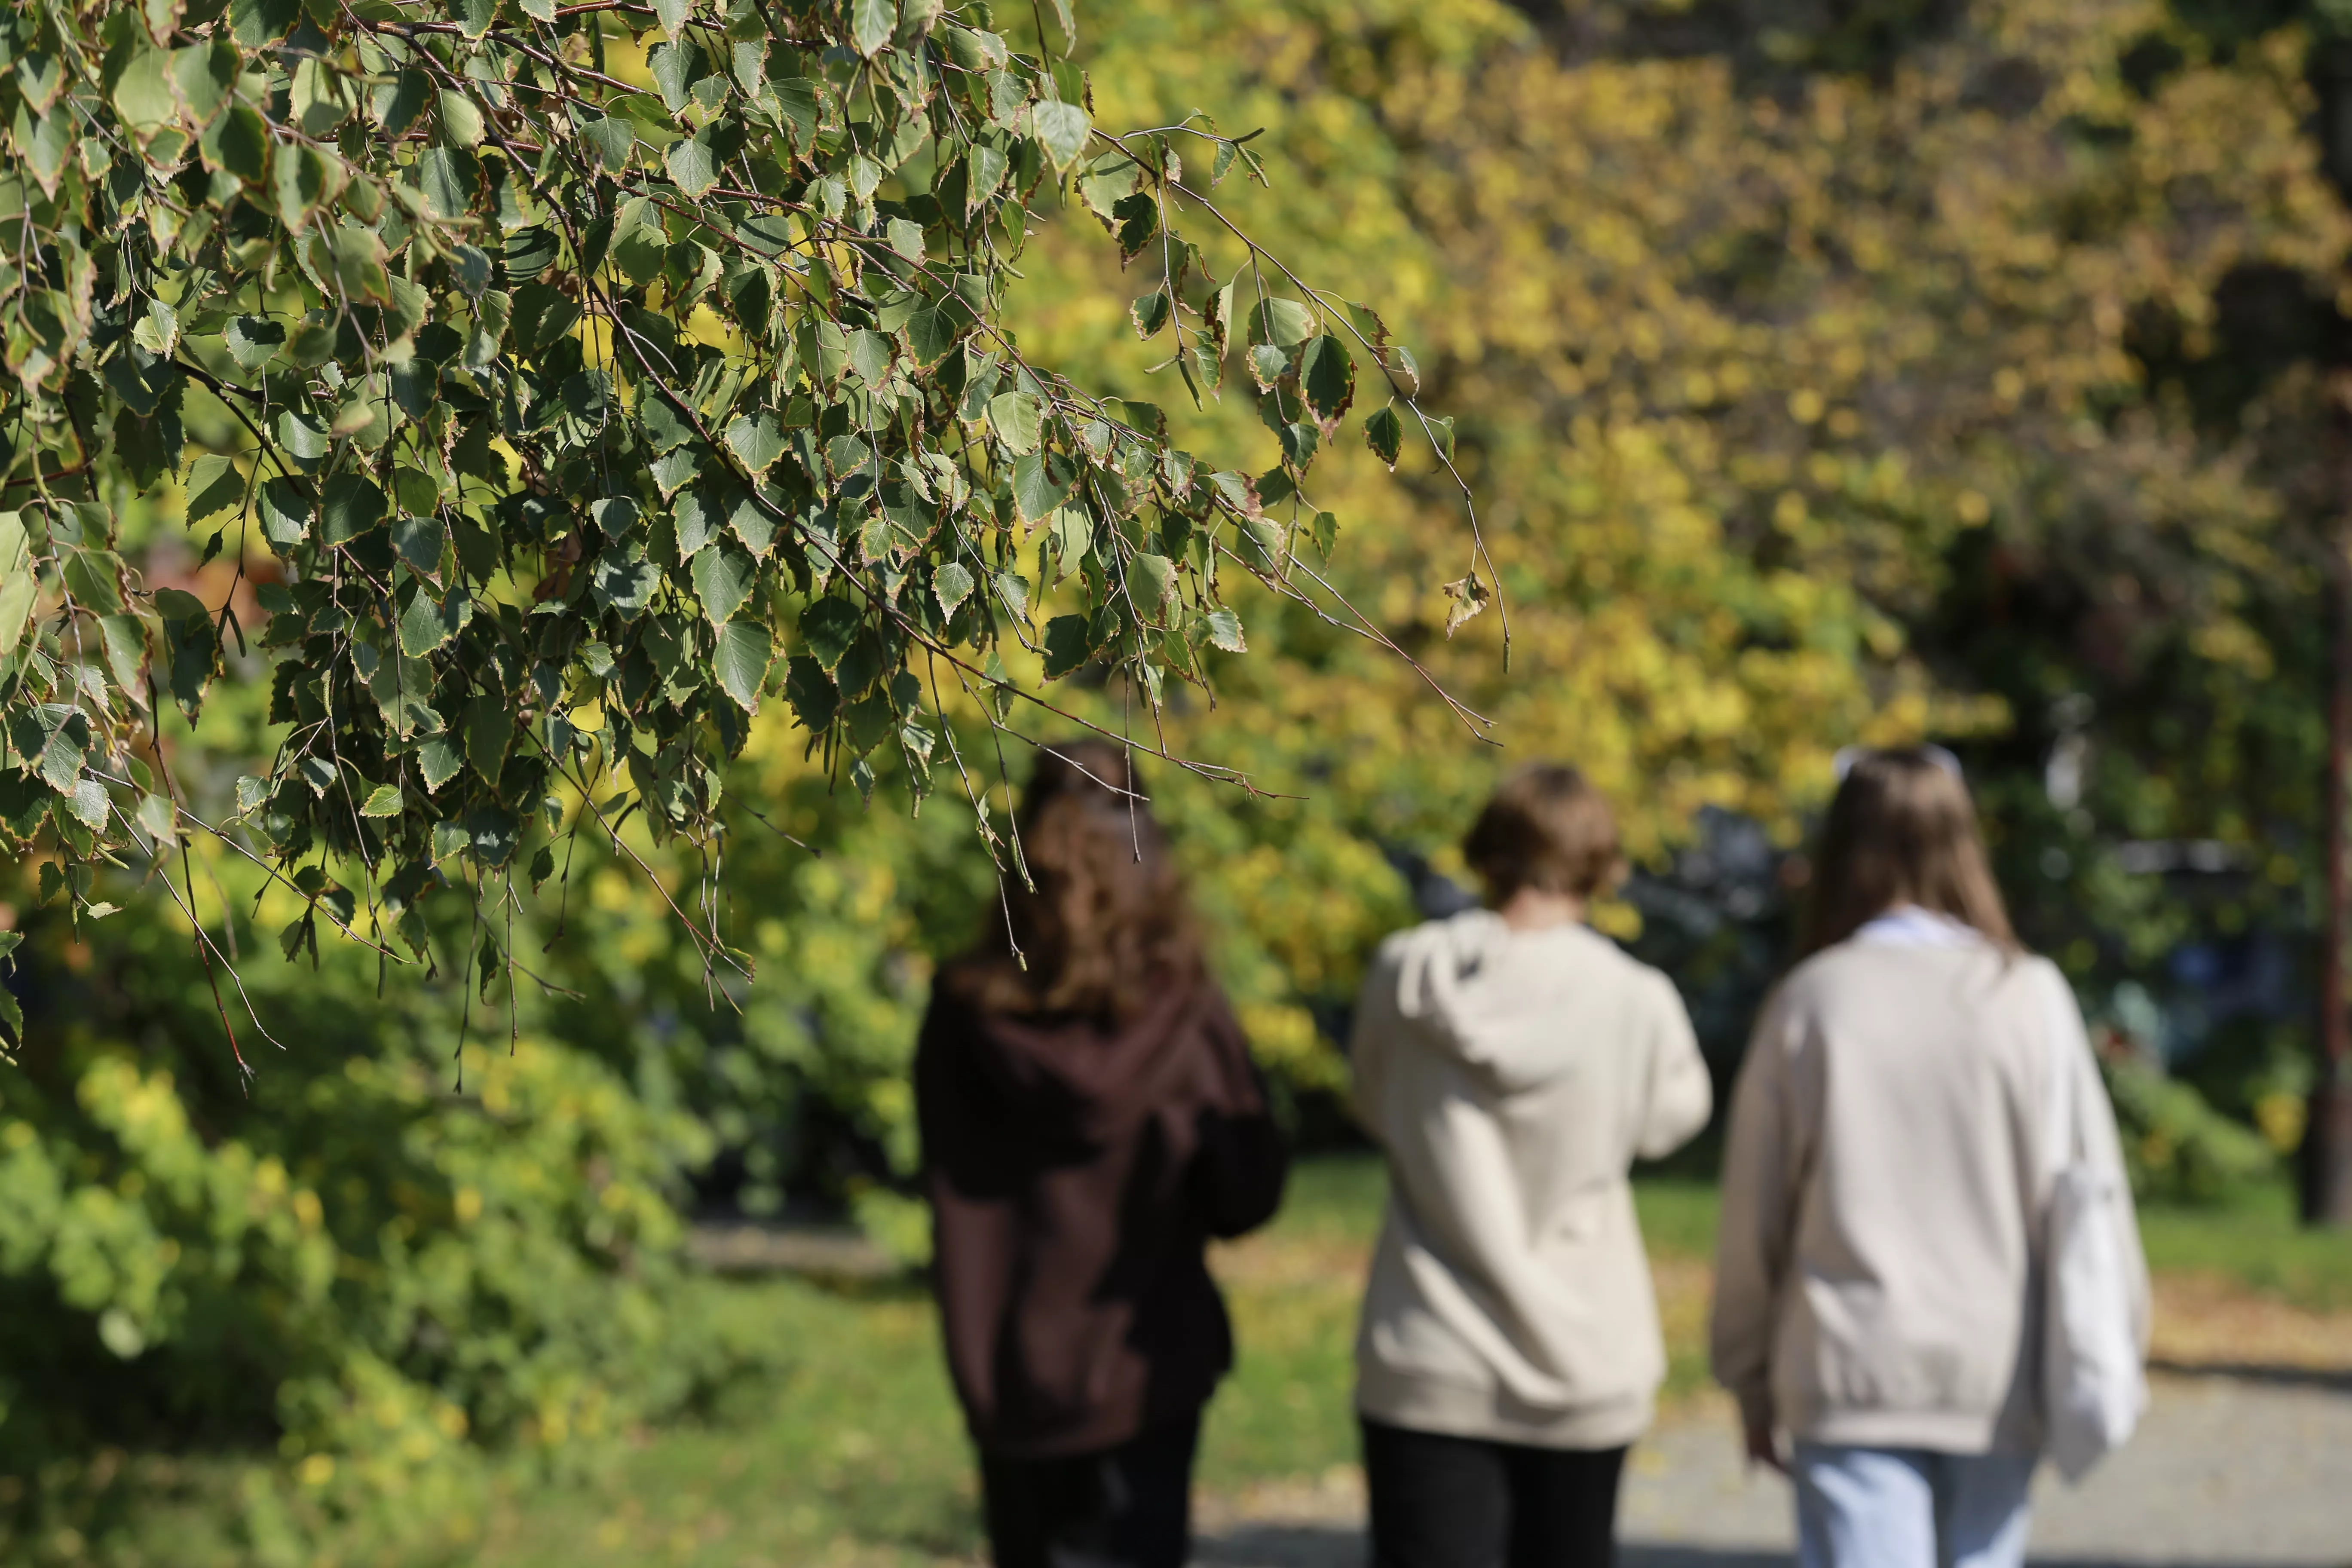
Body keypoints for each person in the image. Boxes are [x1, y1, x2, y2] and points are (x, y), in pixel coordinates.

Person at [1710, 747, 2150, 1568]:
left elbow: (1753, 1215)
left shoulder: (1814, 999)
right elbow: (2093, 1193)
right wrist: (2114, 1338)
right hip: (1995, 1367)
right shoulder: (2029, 996)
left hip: (1849, 1364)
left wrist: (1747, 1373)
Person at [915, 740, 1288, 1568]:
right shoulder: (1187, 1012)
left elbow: (946, 1178)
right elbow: (1248, 1196)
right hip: (1145, 1367)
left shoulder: (961, 1012)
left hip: (1008, 1368)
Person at [1349, 763, 1714, 1568]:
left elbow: (1373, 1104)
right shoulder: (1635, 999)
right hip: (1584, 1353)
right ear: (1601, 861)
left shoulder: (1406, 974)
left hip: (1427, 1347)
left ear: (1486, 851)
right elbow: (1670, 1124)